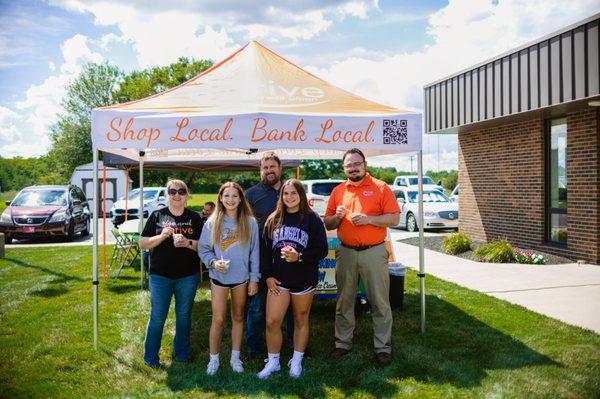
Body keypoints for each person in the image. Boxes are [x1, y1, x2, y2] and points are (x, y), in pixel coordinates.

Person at [324, 148, 400, 366]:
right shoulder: (338, 191)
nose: (353, 168)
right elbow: (327, 223)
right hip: (346, 251)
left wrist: (369, 220)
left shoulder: (380, 187)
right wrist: (336, 218)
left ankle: (382, 347)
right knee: (344, 301)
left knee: (380, 301)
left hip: (374, 252)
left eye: (356, 163)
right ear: (344, 168)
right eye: (348, 165)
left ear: (365, 164)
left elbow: (394, 218)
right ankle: (343, 343)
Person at [257, 179, 328, 379]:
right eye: (285, 193)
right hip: (279, 280)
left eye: (293, 193)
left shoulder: (312, 218)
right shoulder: (274, 218)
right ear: (281, 196)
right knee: (272, 321)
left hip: (303, 279)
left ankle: (296, 360)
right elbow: (264, 251)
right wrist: (268, 276)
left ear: (301, 196)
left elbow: (321, 250)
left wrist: (300, 256)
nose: (289, 197)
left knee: (300, 319)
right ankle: (273, 362)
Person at [140, 179, 203, 368]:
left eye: (181, 191)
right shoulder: (157, 215)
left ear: (187, 195)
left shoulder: (194, 217)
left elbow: (204, 246)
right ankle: (150, 358)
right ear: (167, 195)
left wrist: (187, 243)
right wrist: (161, 236)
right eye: (172, 191)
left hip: (187, 276)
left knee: (184, 316)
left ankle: (182, 354)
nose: (177, 195)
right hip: (160, 276)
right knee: (158, 316)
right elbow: (143, 243)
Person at [198, 182, 260, 375]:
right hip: (219, 278)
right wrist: (213, 263)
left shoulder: (250, 222)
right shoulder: (213, 221)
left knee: (239, 317)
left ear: (240, 198)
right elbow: (203, 248)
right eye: (227, 196)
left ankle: (235, 358)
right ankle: (214, 359)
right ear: (221, 198)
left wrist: (254, 278)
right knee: (217, 319)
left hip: (241, 279)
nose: (231, 200)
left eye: (235, 196)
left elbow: (254, 253)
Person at [244, 152, 295, 361]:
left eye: (272, 167)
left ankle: (295, 346)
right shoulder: (251, 195)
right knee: (256, 308)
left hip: (289, 259)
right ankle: (254, 349)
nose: (268, 171)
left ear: (280, 168)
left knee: (292, 307)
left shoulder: (291, 190)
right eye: (264, 168)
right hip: (259, 258)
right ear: (260, 171)